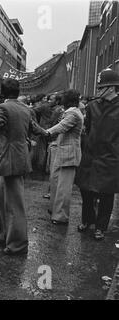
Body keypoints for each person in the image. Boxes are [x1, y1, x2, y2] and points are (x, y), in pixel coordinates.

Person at [0, 79, 46, 256]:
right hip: (19, 156)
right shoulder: (25, 108)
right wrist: (48, 133)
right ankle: (4, 233)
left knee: (14, 204)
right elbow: (36, 129)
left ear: (3, 91)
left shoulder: (3, 108)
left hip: (9, 158)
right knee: (1, 198)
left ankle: (18, 244)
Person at [76, 69, 119, 240]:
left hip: (110, 158)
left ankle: (101, 227)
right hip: (90, 156)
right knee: (85, 190)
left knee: (106, 195)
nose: (99, 90)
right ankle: (87, 220)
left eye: (102, 87)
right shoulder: (92, 106)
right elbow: (86, 128)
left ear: (112, 87)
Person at [45, 90, 84, 225]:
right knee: (56, 182)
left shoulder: (73, 113)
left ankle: (61, 216)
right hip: (65, 151)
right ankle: (55, 210)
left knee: (63, 187)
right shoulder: (72, 111)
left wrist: (46, 132)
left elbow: (61, 127)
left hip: (69, 153)